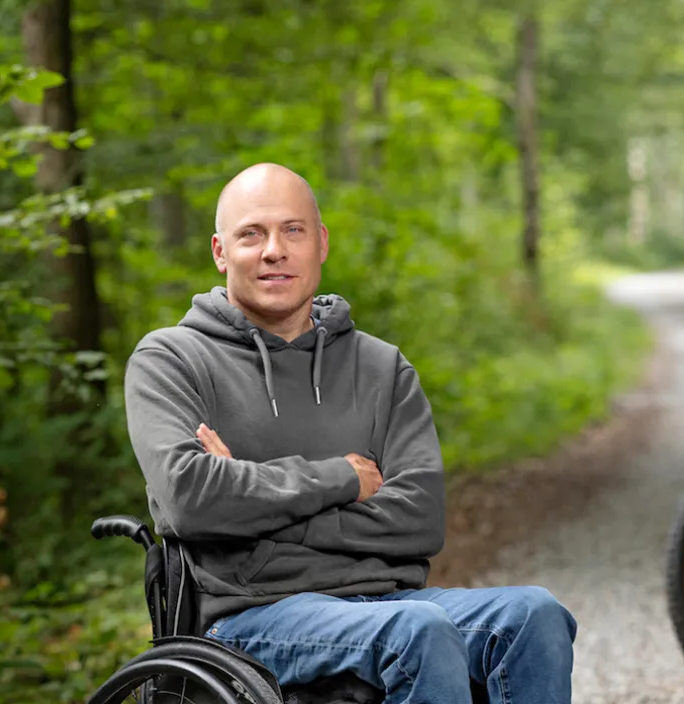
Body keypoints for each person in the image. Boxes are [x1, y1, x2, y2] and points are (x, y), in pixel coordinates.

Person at [122, 162, 578, 703]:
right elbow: (191, 500)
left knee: (534, 615)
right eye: (252, 234)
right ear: (221, 252)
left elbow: (420, 518)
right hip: (250, 618)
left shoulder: (382, 368)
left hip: (386, 602)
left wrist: (249, 510)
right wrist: (342, 477)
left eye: (293, 230)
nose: (274, 250)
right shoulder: (171, 359)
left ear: (320, 243)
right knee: (420, 634)